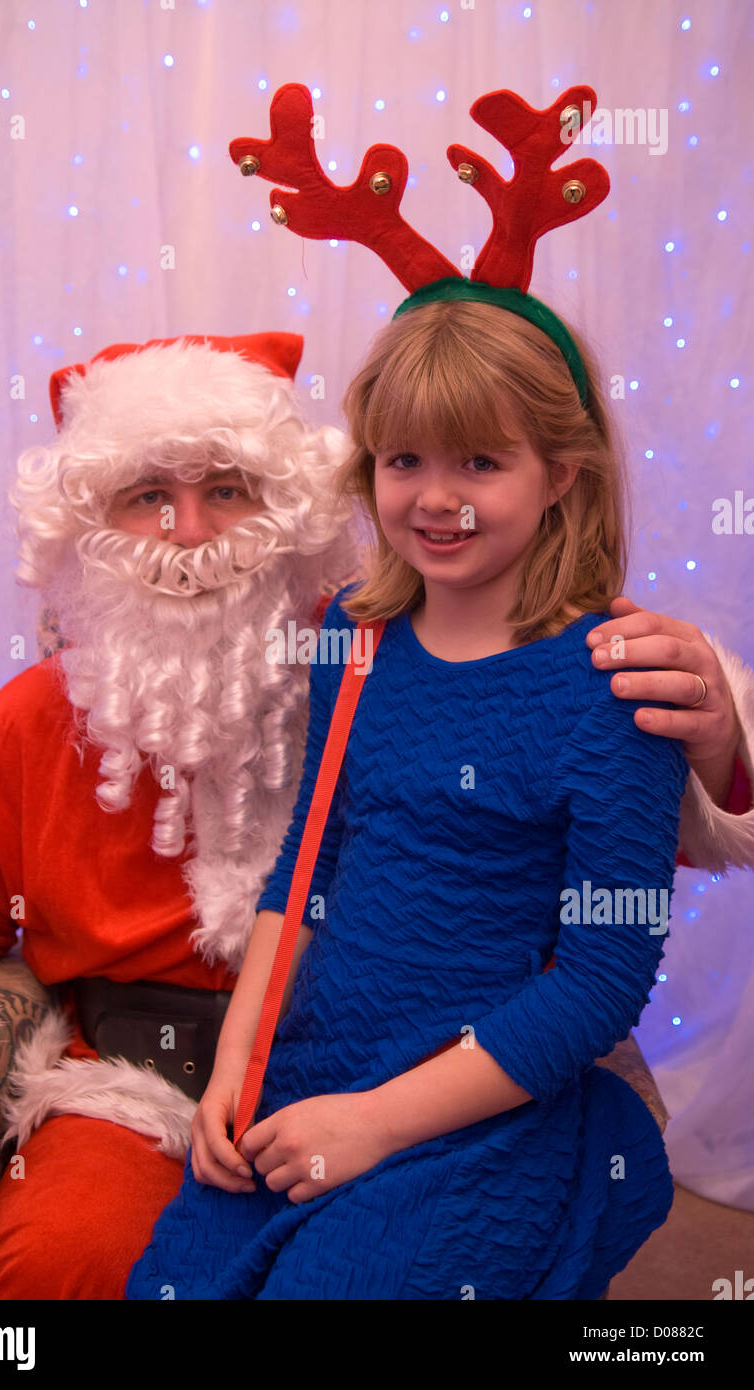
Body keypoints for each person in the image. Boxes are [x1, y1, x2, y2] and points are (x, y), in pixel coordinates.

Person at [124, 287, 751, 1300]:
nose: (435, 497)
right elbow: (306, 864)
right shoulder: (353, 638)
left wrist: (373, 1123)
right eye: (404, 459)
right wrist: (234, 1065)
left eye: (482, 462)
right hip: (316, 1062)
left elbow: (599, 983)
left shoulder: (614, 686)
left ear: (561, 475)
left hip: (476, 1103)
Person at [0, 331, 362, 1299]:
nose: (190, 534)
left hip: (357, 1075)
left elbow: (586, 804)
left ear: (289, 512)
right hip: (131, 1090)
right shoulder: (34, 718)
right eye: (149, 497)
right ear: (85, 524)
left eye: (226, 489)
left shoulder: (377, 675)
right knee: (57, 1267)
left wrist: (709, 736)